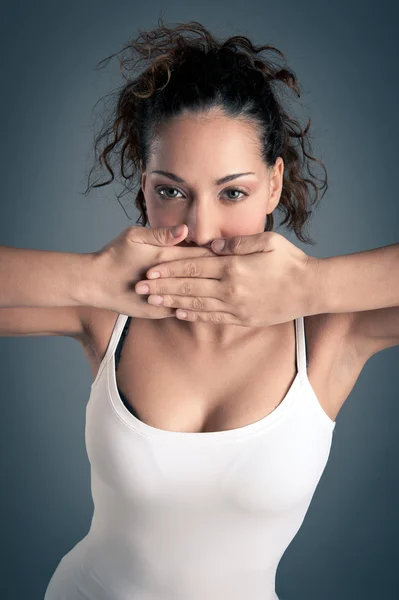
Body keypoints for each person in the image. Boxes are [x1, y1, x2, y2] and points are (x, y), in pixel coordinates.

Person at [0, 18, 372, 600]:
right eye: (172, 192)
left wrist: (314, 285)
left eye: (233, 193)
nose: (201, 230)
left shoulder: (331, 334)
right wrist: (89, 276)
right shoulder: (107, 312)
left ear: (274, 185)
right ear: (144, 187)